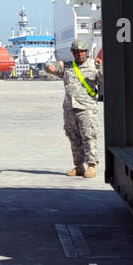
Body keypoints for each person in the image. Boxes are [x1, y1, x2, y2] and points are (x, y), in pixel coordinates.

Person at [45, 38, 103, 177]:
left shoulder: (93, 65)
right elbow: (50, 69)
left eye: (82, 51)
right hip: (70, 108)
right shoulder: (68, 67)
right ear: (73, 53)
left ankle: (92, 165)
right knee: (73, 137)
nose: (80, 54)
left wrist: (101, 67)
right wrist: (50, 67)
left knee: (89, 136)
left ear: (87, 52)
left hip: (86, 108)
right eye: (77, 52)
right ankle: (78, 166)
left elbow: (103, 78)